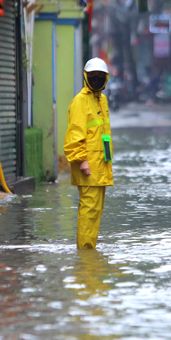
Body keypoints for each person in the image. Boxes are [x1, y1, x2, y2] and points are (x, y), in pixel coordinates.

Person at [63, 58, 113, 250]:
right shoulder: (80, 101)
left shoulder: (101, 100)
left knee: (96, 210)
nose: (97, 80)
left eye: (101, 77)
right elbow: (75, 135)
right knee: (89, 210)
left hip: (101, 165)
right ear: (86, 77)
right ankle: (85, 252)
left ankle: (89, 252)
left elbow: (102, 135)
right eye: (93, 76)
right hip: (89, 167)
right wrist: (82, 161)